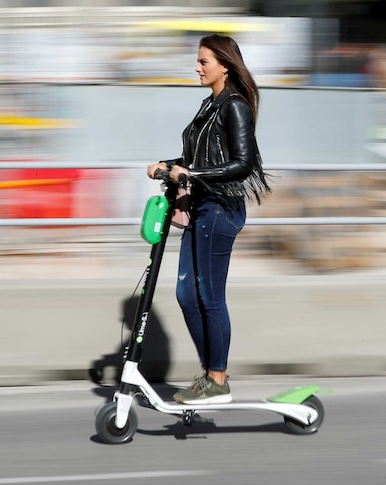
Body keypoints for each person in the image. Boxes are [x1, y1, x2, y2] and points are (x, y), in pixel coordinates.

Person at [146, 34, 271, 405]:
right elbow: (194, 159)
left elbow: (242, 164)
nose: (197, 67)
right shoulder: (208, 106)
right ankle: (210, 374)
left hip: (221, 209)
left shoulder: (234, 106)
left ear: (225, 65)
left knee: (209, 296)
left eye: (204, 61)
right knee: (187, 294)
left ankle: (217, 377)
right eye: (198, 61)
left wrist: (190, 177)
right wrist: (167, 166)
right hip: (202, 207)